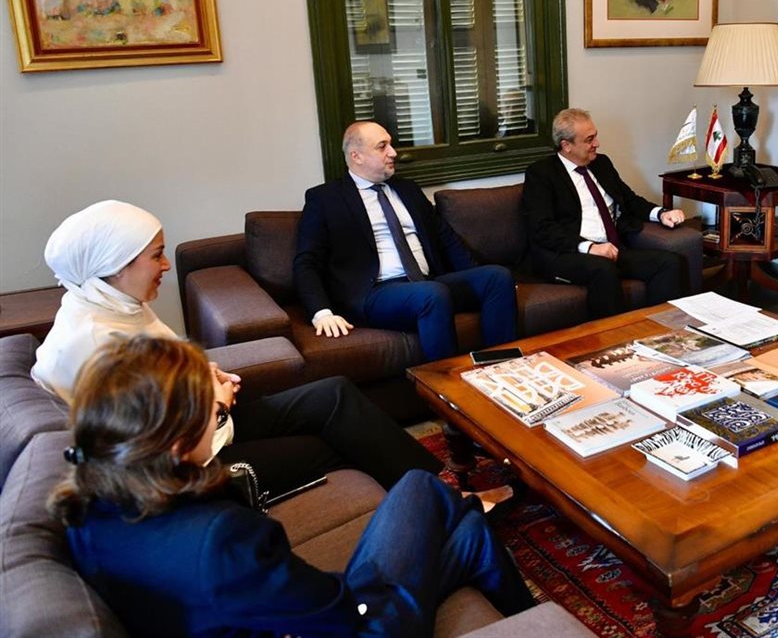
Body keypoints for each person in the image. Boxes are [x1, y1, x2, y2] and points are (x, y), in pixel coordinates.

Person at [52, 335, 535, 638]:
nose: (218, 420)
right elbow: (338, 614)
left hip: (283, 618)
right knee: (418, 487)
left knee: (469, 535)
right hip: (347, 626)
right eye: (214, 415)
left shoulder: (90, 504)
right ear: (177, 444)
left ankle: (530, 624)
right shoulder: (219, 538)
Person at [31, 199, 444, 498]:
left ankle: (439, 487)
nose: (166, 266)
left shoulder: (119, 303)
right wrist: (218, 404)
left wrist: (207, 375)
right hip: (193, 458)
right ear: (115, 265)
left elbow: (173, 364)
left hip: (203, 416)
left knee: (334, 393)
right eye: (156, 256)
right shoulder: (95, 344)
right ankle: (424, 507)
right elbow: (157, 448)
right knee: (332, 446)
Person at [294, 121, 517, 362]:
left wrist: (474, 273)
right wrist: (321, 312)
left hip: (427, 282)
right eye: (382, 146)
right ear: (356, 156)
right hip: (376, 292)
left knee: (497, 277)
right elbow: (307, 261)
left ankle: (501, 367)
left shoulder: (407, 189)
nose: (393, 152)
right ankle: (444, 379)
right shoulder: (325, 198)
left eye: (391, 145)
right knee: (431, 294)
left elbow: (446, 238)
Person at [522, 108, 688, 319]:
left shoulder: (601, 164)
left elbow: (629, 199)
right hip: (568, 254)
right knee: (604, 269)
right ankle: (614, 337)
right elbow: (542, 228)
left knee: (669, 262)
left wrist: (661, 213)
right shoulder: (541, 174)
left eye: (595, 136)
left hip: (612, 249)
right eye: (589, 139)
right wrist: (590, 247)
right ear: (566, 145)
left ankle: (663, 330)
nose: (597, 144)